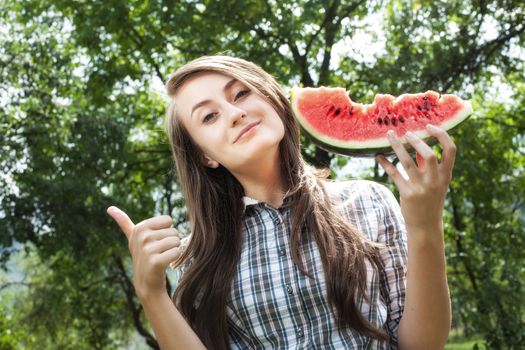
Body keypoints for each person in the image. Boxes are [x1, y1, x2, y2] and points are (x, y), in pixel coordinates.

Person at [107, 55, 453, 350]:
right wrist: (151, 292)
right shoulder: (198, 259)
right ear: (205, 156)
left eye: (241, 93)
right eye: (209, 117)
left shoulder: (369, 201)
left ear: (272, 99)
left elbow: (422, 344)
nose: (234, 113)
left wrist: (425, 226)